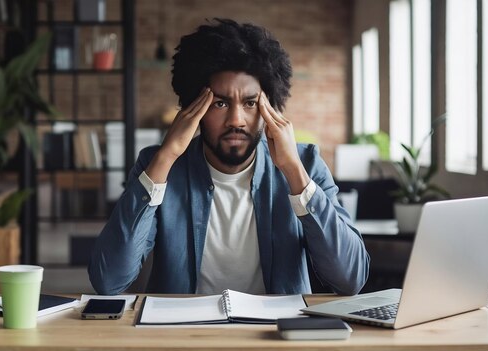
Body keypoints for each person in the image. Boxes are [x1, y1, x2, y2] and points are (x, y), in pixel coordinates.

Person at [88, 18, 369, 295]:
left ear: (270, 110)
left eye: (250, 103)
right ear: (193, 109)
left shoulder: (305, 163)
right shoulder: (160, 165)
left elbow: (350, 278)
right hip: (183, 336)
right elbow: (109, 279)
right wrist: (166, 157)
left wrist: (294, 173)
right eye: (220, 103)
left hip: (277, 335)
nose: (236, 120)